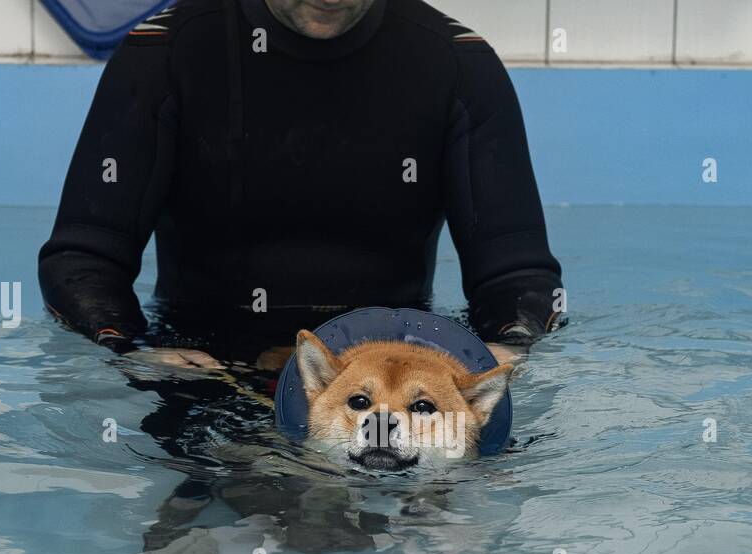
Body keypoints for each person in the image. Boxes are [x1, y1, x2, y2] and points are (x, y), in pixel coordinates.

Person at [38, 0, 565, 362]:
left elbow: (518, 278)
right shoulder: (163, 54)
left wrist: (507, 349)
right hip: (206, 370)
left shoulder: (457, 63)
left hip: (393, 374)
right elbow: (82, 260)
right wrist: (133, 351)